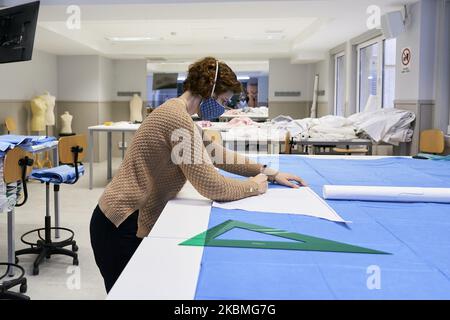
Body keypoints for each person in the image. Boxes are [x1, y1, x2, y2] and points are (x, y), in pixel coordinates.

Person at [90, 57, 307, 293]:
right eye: (223, 100)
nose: (223, 107)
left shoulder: (179, 115)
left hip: (120, 218)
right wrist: (255, 186)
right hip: (120, 222)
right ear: (209, 91)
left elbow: (218, 154)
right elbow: (213, 187)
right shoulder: (177, 119)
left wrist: (269, 172)